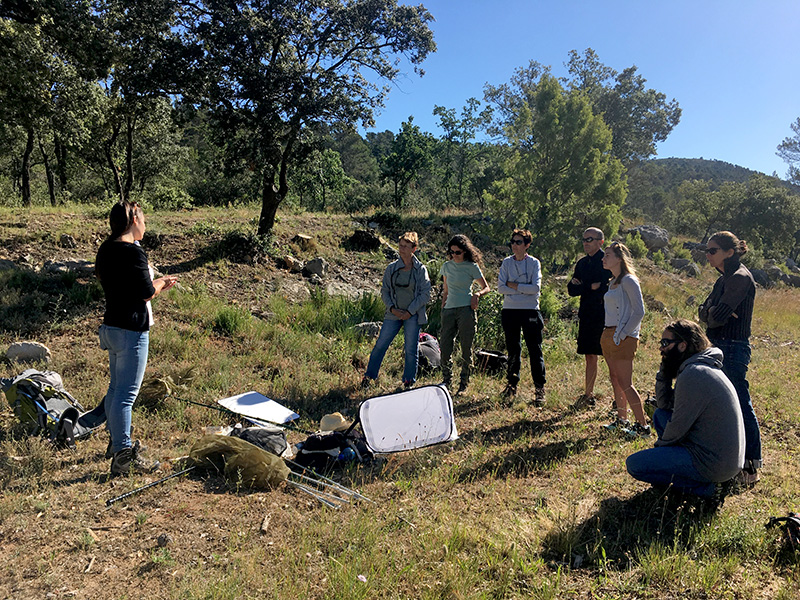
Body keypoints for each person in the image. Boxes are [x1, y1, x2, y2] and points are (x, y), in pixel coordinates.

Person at [95, 201, 177, 476]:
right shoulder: (133, 252)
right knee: (126, 396)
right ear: (133, 221)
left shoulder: (106, 248)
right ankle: (123, 456)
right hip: (131, 331)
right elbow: (145, 293)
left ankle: (116, 442)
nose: (145, 224)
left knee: (115, 390)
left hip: (111, 327)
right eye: (143, 219)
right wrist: (162, 282)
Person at [626, 319, 744, 504]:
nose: (661, 348)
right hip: (722, 458)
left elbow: (678, 426)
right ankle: (700, 478)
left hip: (713, 463)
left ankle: (708, 488)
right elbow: (665, 406)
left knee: (635, 464)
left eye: (665, 343)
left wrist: (660, 453)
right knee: (660, 415)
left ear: (682, 345)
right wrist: (664, 373)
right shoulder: (699, 367)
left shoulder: (693, 374)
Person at [698, 231, 761, 486]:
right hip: (718, 344)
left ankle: (751, 466)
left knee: (740, 403)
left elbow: (717, 317)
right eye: (707, 250)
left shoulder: (739, 278)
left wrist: (712, 311)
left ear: (729, 252)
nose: (708, 255)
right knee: (720, 403)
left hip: (733, 347)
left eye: (712, 250)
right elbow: (704, 312)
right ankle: (728, 460)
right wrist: (711, 311)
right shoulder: (723, 279)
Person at [362, 232, 432, 389]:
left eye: (406, 246)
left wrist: (409, 312)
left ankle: (408, 382)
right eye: (400, 246)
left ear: (414, 249)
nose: (402, 249)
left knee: (410, 349)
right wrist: (392, 308)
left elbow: (425, 294)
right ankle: (369, 377)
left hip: (412, 315)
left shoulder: (421, 270)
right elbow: (385, 291)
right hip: (393, 314)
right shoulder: (391, 268)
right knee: (380, 345)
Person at [601, 242, 649, 437]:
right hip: (608, 334)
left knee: (625, 382)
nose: (603, 259)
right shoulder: (612, 282)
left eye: (608, 255)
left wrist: (623, 333)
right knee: (615, 378)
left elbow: (639, 311)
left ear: (619, 258)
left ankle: (643, 426)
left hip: (623, 336)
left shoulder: (629, 280)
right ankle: (622, 419)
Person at [497, 229, 546, 404]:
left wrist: (514, 286)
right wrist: (524, 288)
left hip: (530, 310)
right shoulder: (506, 263)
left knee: (535, 349)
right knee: (513, 350)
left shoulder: (534, 263)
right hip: (510, 310)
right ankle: (511, 385)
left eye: (518, 242)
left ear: (527, 245)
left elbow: (536, 288)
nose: (514, 245)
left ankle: (539, 388)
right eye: (513, 242)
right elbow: (501, 288)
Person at [440, 234, 490, 395]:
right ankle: (447, 380)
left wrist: (477, 294)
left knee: (466, 348)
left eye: (458, 252)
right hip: (449, 309)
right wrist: (443, 307)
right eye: (452, 252)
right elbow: (446, 290)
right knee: (445, 347)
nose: (454, 255)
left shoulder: (471, 267)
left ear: (465, 251)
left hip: (466, 309)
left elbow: (486, 287)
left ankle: (464, 383)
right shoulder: (446, 266)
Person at [567, 227, 612, 406]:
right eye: (584, 239)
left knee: (611, 356)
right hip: (586, 315)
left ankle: (619, 398)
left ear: (601, 241)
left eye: (590, 239)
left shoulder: (607, 261)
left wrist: (585, 286)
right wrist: (589, 286)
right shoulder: (582, 263)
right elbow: (571, 290)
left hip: (605, 315)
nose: (585, 243)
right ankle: (588, 394)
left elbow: (606, 288)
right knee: (590, 355)